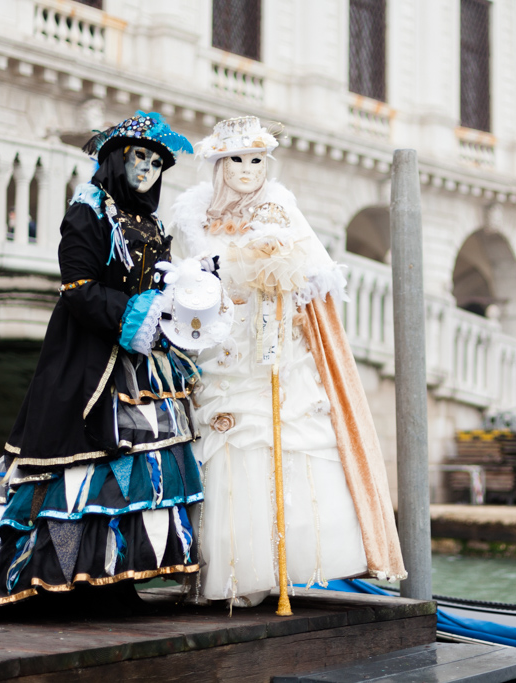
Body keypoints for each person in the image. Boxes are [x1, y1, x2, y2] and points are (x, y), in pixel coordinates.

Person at [0, 112, 222, 620]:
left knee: (137, 470)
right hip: (89, 358)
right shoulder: (89, 210)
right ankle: (61, 577)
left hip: (143, 363)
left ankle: (112, 576)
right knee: (80, 463)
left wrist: (183, 296)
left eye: (155, 162)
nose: (146, 169)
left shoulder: (150, 221)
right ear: (115, 160)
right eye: (138, 158)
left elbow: (151, 284)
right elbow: (78, 287)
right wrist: (137, 313)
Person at [169, 116, 406, 608]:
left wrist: (277, 275)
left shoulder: (280, 209)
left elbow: (315, 278)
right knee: (221, 445)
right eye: (237, 159)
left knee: (272, 440)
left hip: (268, 349)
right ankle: (226, 570)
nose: (248, 170)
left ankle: (270, 570)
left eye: (257, 160)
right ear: (217, 164)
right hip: (216, 348)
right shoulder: (192, 217)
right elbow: (183, 280)